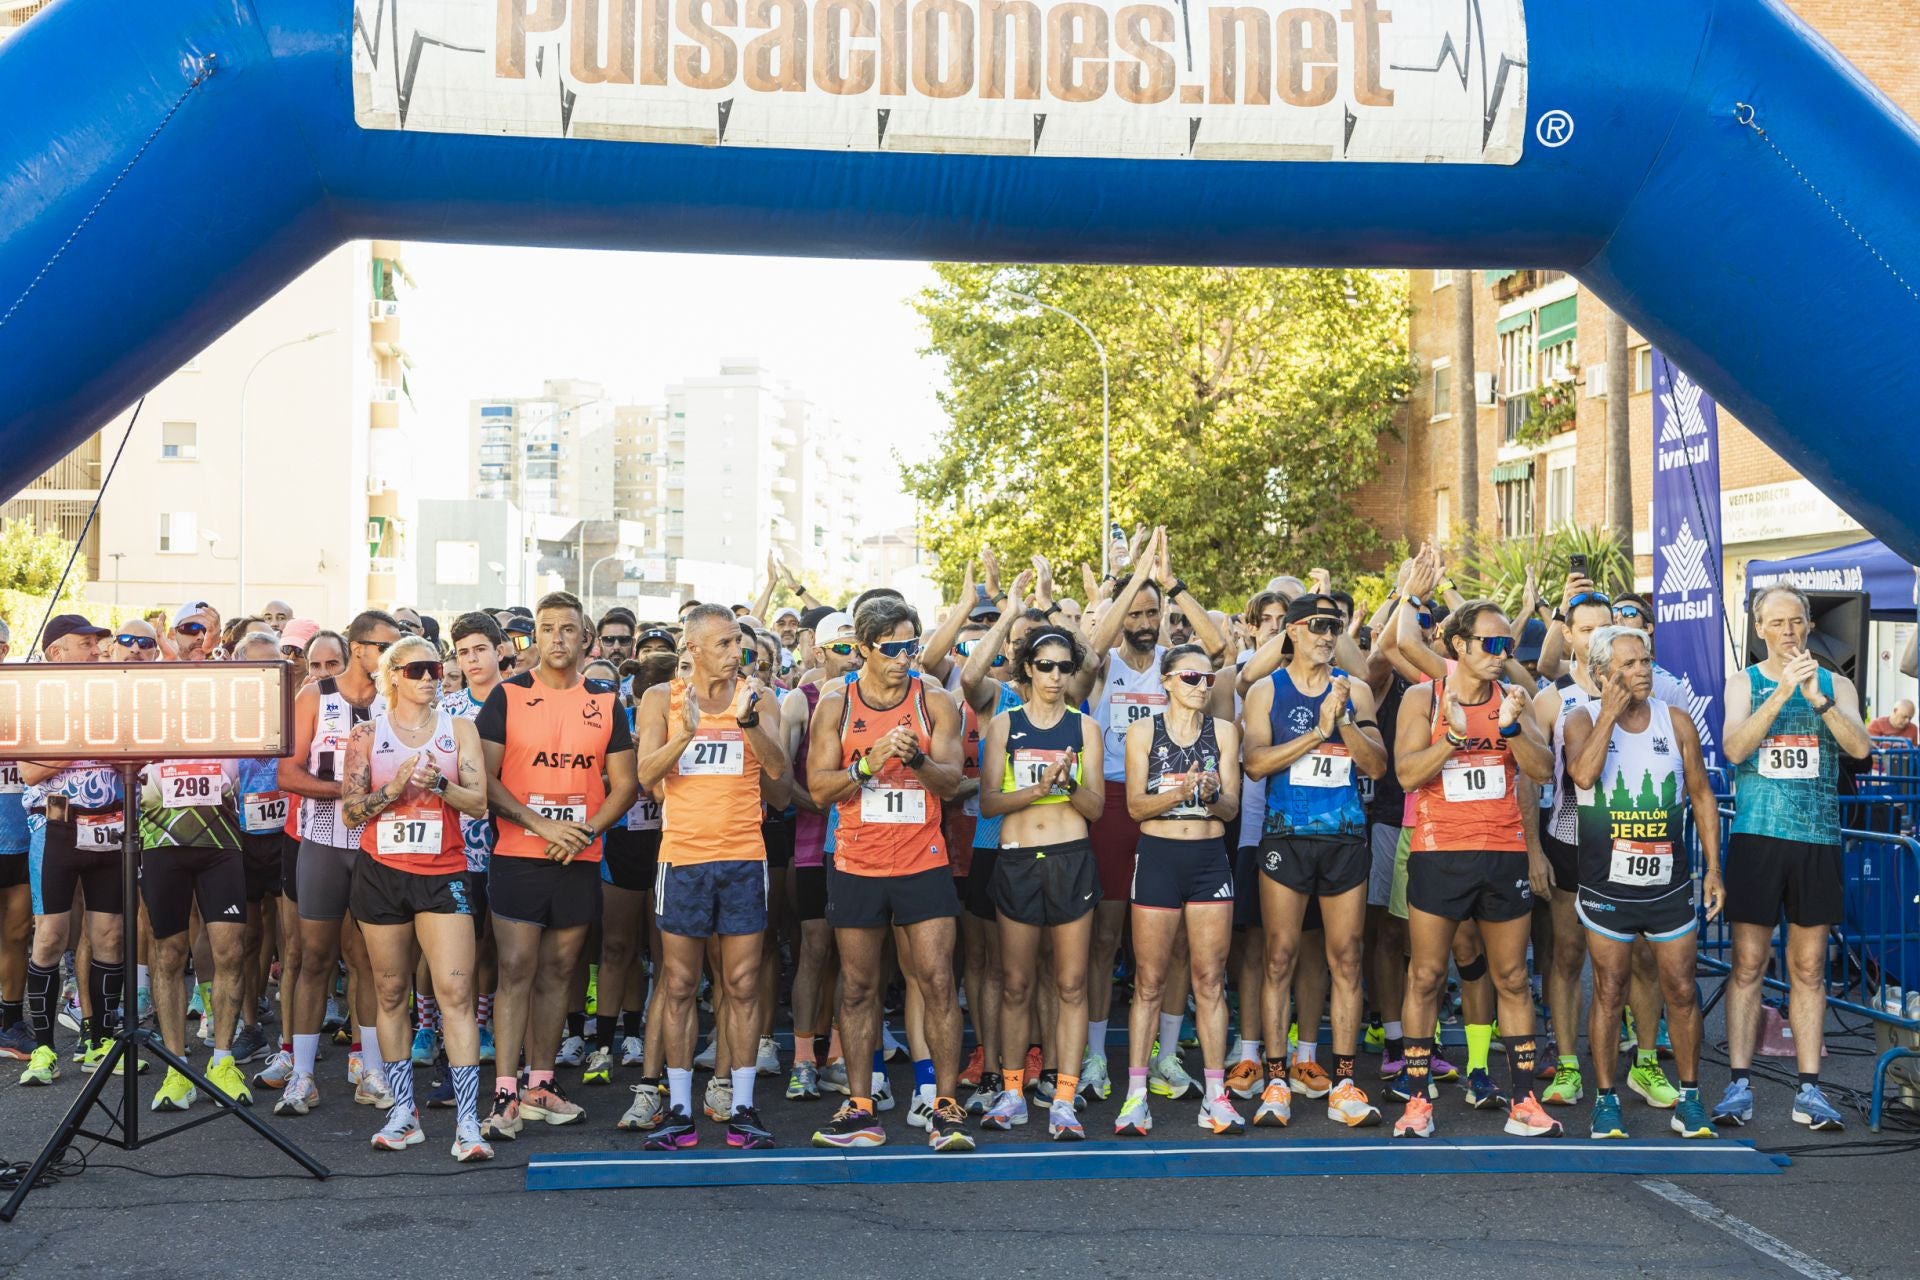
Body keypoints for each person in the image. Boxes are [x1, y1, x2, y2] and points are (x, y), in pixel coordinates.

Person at [806, 597, 972, 1151]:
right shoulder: (835, 702)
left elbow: (953, 785)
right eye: (893, 648)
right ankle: (859, 1107)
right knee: (857, 987)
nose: (906, 657)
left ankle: (945, 1107)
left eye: (913, 646)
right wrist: (868, 763)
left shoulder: (936, 700)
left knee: (938, 981)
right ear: (863, 649)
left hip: (922, 860)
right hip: (857, 861)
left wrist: (917, 761)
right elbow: (819, 789)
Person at [1391, 601, 1559, 1140]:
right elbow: (1406, 774)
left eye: (1506, 645)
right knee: (1426, 975)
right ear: (1458, 645)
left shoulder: (1516, 698)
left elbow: (1543, 769)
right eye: (1490, 644)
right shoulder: (1425, 698)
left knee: (1511, 977)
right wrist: (1454, 738)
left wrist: (1510, 731)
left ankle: (1524, 1101)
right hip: (1440, 853)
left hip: (1502, 850)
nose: (1500, 654)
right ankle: (1417, 1103)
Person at [476, 591, 638, 1139]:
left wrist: (586, 831)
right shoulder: (507, 695)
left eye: (568, 629)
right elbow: (485, 780)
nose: (558, 639)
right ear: (536, 637)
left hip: (581, 853)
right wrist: (542, 825)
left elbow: (626, 784)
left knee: (560, 973)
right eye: (547, 629)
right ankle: (504, 1092)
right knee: (516, 969)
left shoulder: (606, 702)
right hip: (521, 853)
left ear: (585, 636)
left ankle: (541, 1083)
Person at [633, 603, 789, 1150]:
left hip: (744, 856)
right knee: (678, 984)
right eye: (723, 643)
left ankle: (742, 1106)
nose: (736, 653)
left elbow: (779, 778)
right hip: (682, 859)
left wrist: (748, 725)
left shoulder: (758, 698)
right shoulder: (662, 699)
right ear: (693, 649)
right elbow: (645, 777)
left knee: (742, 984)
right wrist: (685, 735)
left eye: (738, 643)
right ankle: (679, 1109)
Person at [1716, 584, 1871, 1131]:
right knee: (1748, 964)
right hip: (1758, 838)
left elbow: (1860, 749)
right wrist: (1780, 695)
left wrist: (1818, 700)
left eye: (1797, 622)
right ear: (1760, 630)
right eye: (1777, 623)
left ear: (1808, 626)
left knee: (1808, 967)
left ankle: (1810, 1089)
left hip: (1817, 840)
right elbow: (1733, 750)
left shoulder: (1837, 683)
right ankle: (1738, 1083)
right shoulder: (1744, 683)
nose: (1788, 632)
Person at [1083, 529, 1227, 1103]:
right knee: (1105, 937)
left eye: (1152, 611)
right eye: (1134, 612)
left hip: (1182, 811)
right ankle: (1095, 1056)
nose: (1143, 620)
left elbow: (1217, 648)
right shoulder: (1102, 666)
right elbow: (1093, 641)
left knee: (1178, 948)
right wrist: (1130, 575)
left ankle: (1168, 1056)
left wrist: (1172, 584)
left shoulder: (1180, 667)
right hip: (1118, 802)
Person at [1563, 626, 1723, 1140]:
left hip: (1669, 885)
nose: (1643, 671)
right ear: (1603, 674)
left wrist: (1713, 869)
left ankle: (1691, 1098)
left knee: (1680, 987)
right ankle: (1606, 1099)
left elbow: (1701, 795)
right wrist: (1608, 713)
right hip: (1607, 887)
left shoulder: (1675, 721)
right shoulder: (1581, 719)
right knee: (1609, 990)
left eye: (1646, 661)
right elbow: (1583, 778)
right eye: (1630, 664)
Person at [341, 635, 494, 1159]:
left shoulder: (459, 730)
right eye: (418, 670)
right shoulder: (366, 735)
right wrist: (393, 790)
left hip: (443, 871)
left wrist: (441, 787)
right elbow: (349, 810)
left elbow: (479, 804)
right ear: (393, 677)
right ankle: (403, 1111)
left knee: (456, 994)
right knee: (389, 992)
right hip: (381, 872)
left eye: (436, 668)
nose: (431, 677)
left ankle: (469, 1122)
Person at [1241, 594, 1389, 1129]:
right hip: (1286, 834)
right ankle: (1276, 1079)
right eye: (1320, 626)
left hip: (1345, 836)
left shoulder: (1358, 689)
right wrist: (1316, 733)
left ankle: (1344, 1080)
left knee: (1346, 958)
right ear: (1293, 631)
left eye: (1337, 626)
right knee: (1279, 958)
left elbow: (1378, 764)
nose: (1329, 635)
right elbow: (1255, 764)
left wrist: (1345, 720)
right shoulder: (1265, 690)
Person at [977, 626, 1105, 1140]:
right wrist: (1039, 787)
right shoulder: (1005, 725)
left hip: (1071, 857)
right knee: (1016, 983)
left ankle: (1065, 1097)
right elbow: (988, 801)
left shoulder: (1084, 728)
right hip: (1016, 860)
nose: (1055, 676)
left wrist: (1068, 782)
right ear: (1027, 668)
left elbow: (1094, 808)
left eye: (1064, 667)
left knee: (1072, 984)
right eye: (1045, 666)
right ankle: (1012, 1092)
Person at [273, 610, 400, 1116]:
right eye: (381, 646)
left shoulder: (394, 700)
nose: (390, 656)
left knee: (369, 960)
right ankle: (302, 1075)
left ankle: (371, 1069)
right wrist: (349, 794)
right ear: (357, 645)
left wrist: (373, 798)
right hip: (324, 838)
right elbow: (287, 773)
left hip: (377, 845)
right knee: (314, 959)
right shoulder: (316, 696)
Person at [1116, 645, 1243, 1136]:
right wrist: (1180, 791)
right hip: (1160, 859)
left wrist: (1212, 794)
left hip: (1209, 860)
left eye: (1208, 679)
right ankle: (1135, 1096)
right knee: (1148, 982)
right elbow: (1133, 807)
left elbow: (1230, 810)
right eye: (1191, 677)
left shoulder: (1225, 733)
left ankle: (1216, 1096)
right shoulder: (1143, 730)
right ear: (1166, 680)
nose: (1201, 686)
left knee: (1210, 980)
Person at [17, 615, 127, 1085]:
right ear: (57, 652)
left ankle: (100, 1039)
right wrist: (87, 738)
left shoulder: (113, 697)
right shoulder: (38, 701)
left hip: (109, 827)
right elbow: (29, 770)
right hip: (56, 828)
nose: (97, 651)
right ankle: (43, 1049)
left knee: (111, 937)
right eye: (86, 644)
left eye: (98, 644)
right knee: (50, 937)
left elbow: (129, 756)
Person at [136, 746, 253, 1111]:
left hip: (220, 839)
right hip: (161, 840)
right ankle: (177, 1068)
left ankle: (222, 1061)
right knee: (168, 954)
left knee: (230, 951)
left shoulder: (227, 704)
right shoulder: (152, 708)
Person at [776, 611, 859, 1109]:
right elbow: (781, 782)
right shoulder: (800, 699)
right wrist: (829, 802)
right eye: (844, 647)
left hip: (864, 846)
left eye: (858, 645)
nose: (854, 655)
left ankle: (842, 1056)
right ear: (820, 650)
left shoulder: (874, 697)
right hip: (811, 846)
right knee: (813, 949)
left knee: (856, 955)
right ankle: (804, 1059)